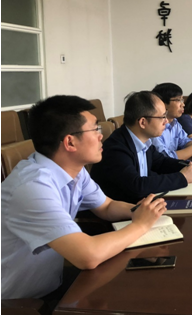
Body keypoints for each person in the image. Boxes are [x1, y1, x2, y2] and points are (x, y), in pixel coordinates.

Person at [1, 96, 167, 302]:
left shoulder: (74, 170)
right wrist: (140, 225)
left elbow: (106, 206)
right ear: (70, 142)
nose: (101, 136)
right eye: (95, 129)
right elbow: (88, 256)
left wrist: (140, 210)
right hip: (18, 301)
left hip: (51, 283)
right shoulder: (32, 187)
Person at [91, 91, 192, 204]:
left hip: (141, 206)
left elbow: (161, 163)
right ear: (143, 122)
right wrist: (182, 177)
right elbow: (137, 186)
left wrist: (188, 166)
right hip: (123, 211)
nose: (166, 121)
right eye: (162, 117)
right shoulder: (116, 149)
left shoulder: (144, 141)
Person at [151, 83, 192, 160]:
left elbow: (184, 141)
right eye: (178, 100)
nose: (183, 105)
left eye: (182, 100)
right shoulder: (154, 127)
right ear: (163, 103)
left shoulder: (175, 123)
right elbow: (165, 157)